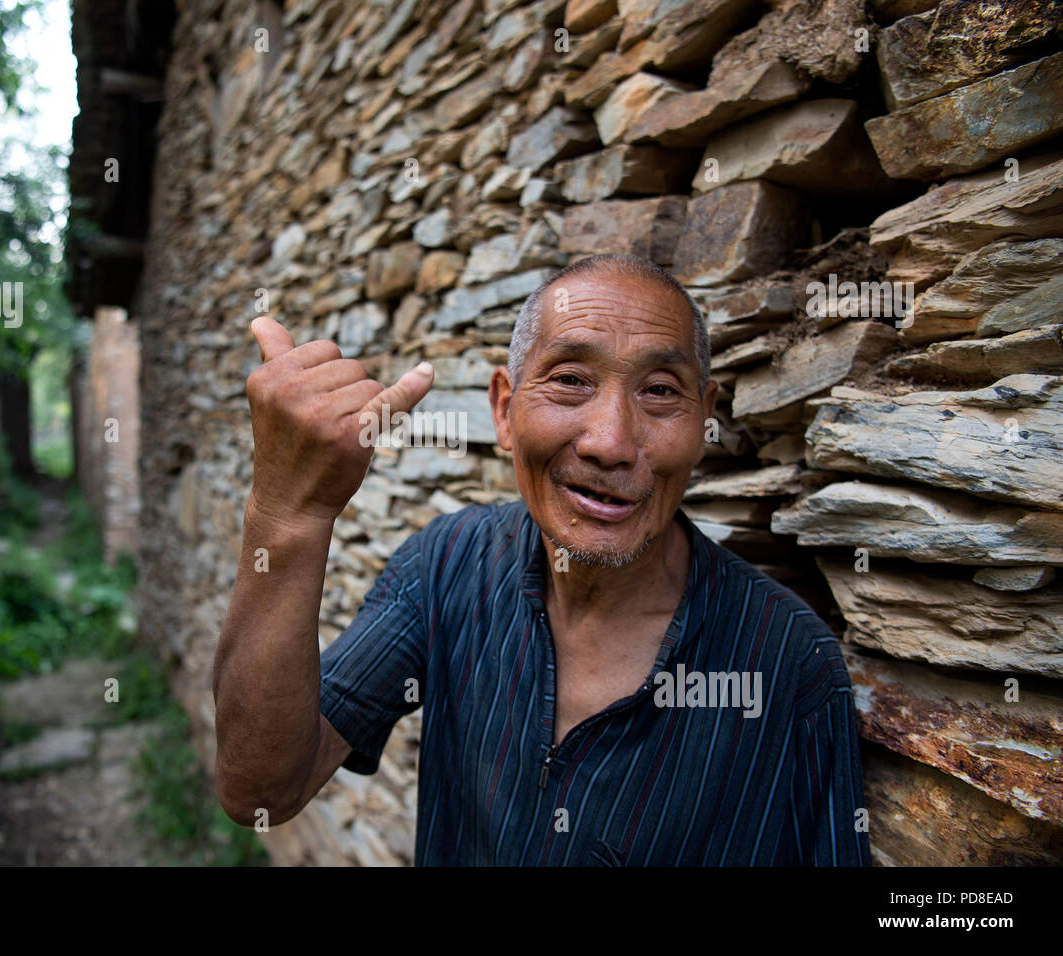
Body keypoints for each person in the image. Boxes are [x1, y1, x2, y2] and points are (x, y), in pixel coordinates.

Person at [213, 252, 871, 866]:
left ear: (705, 421)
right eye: (571, 381)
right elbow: (261, 791)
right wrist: (287, 513)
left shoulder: (789, 662)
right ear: (504, 409)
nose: (610, 442)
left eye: (661, 391)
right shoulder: (447, 567)